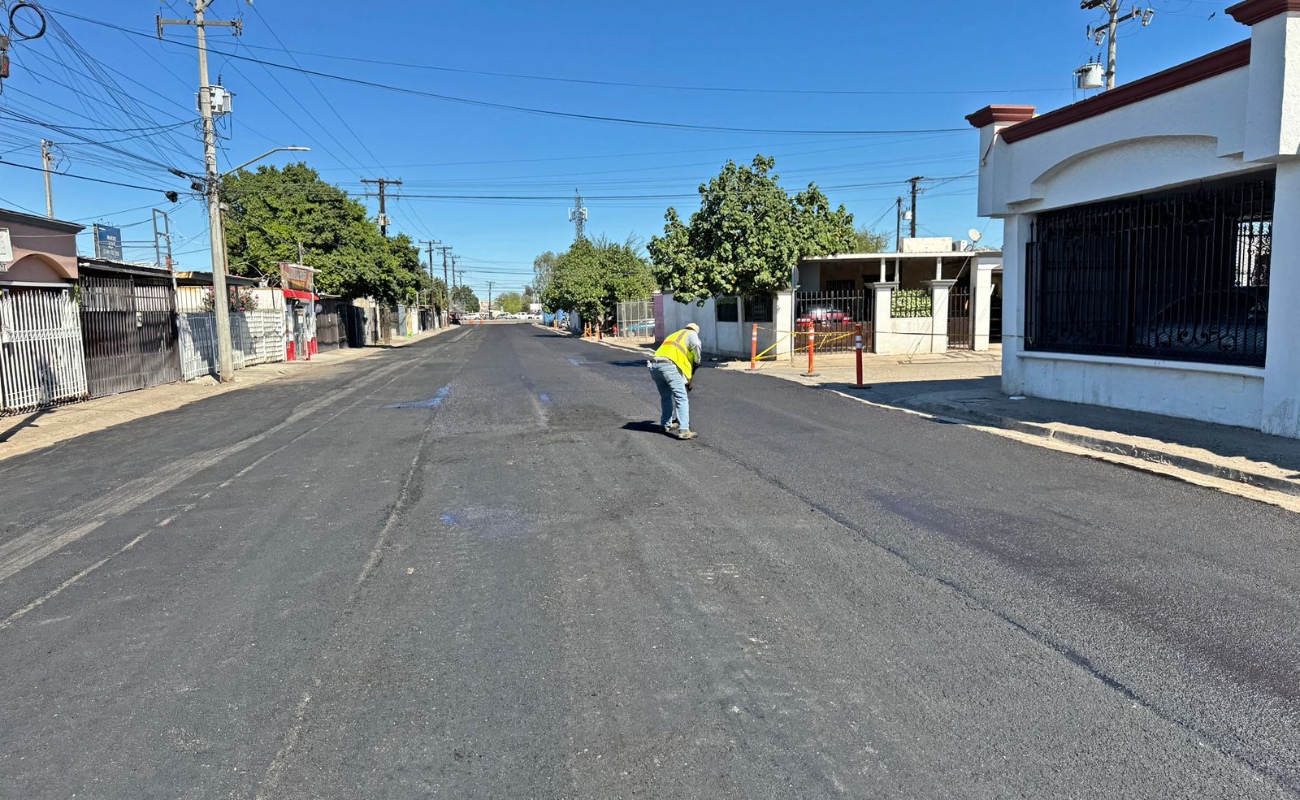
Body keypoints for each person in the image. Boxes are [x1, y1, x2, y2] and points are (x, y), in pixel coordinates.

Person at [648, 321, 702, 440]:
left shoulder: (674, 335)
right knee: (681, 397)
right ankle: (684, 430)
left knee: (666, 397)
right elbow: (696, 344)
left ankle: (665, 424)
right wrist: (698, 360)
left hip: (654, 366)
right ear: (695, 331)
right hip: (669, 366)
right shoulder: (691, 334)